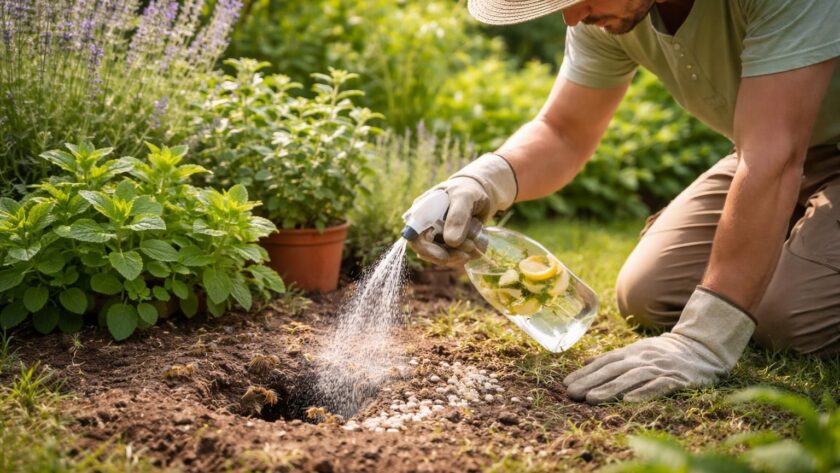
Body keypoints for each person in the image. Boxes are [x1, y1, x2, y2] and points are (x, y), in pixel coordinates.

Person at [403, 0, 840, 404]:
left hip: (775, 151)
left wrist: (704, 340)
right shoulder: (602, 15)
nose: (571, 17)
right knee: (648, 294)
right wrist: (481, 180)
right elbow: (564, 131)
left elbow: (774, 159)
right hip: (768, 149)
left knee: (786, 317)